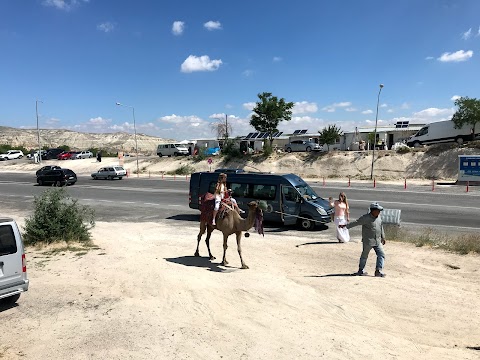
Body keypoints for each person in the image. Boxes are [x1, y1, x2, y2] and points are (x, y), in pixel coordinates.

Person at [341, 202, 386, 277]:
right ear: (373, 211)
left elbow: (381, 227)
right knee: (364, 256)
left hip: (377, 241)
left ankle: (378, 270)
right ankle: (361, 270)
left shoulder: (379, 217)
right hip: (368, 241)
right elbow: (356, 223)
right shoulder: (365, 218)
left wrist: (383, 237)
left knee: (381, 254)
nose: (379, 212)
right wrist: (345, 226)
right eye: (378, 210)